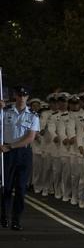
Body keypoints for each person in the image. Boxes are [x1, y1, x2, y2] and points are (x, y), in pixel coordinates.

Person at [1, 86, 40, 230]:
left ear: (27, 97)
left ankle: (16, 220)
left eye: (24, 95)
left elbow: (30, 138)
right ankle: (4, 217)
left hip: (23, 153)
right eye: (19, 95)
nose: (22, 97)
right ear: (15, 96)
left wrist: (11, 146)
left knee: (21, 188)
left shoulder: (33, 115)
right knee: (6, 187)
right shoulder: (5, 112)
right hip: (7, 154)